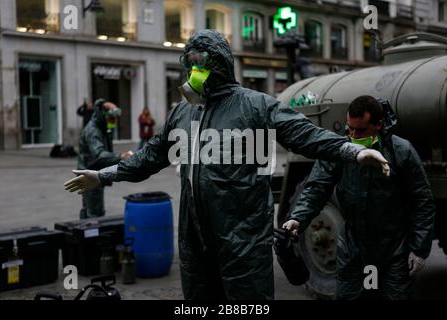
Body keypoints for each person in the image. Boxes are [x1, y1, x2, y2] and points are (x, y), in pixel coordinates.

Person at [65, 30, 389, 300]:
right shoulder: (183, 112)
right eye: (189, 63)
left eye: (200, 63)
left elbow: (304, 134)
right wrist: (104, 174)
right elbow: (149, 157)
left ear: (218, 64)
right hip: (195, 243)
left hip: (244, 243)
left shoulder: (254, 105)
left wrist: (351, 150)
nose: (193, 70)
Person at [283, 96, 436, 300]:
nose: (353, 135)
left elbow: (422, 202)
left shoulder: (401, 152)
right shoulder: (341, 149)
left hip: (394, 251)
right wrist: (298, 218)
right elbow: (316, 187)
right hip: (353, 248)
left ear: (379, 125)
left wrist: (419, 249)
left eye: (361, 130)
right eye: (350, 128)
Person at [76, 98, 133, 219]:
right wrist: (120, 156)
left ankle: (84, 232)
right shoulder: (94, 130)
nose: (114, 122)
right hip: (90, 175)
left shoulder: (101, 126)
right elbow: (99, 154)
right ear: (104, 115)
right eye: (112, 118)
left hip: (90, 173)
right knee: (95, 213)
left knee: (88, 208)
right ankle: (91, 235)